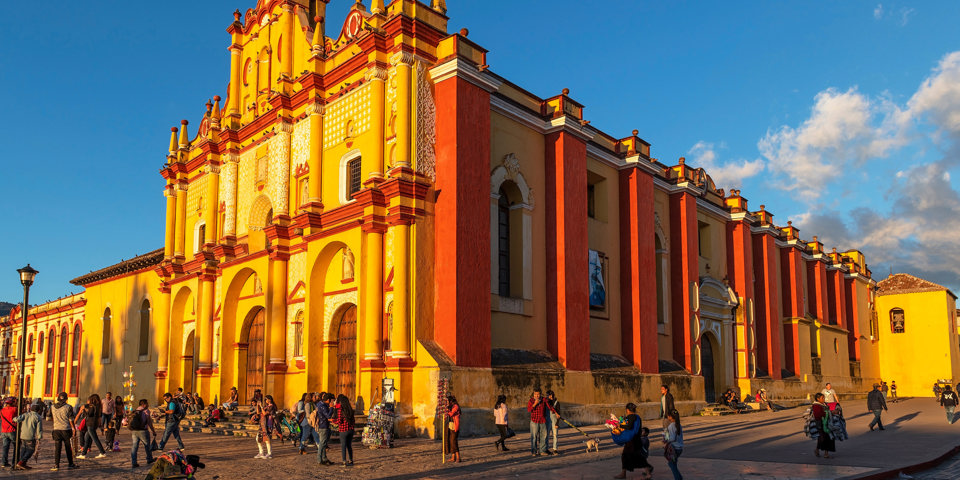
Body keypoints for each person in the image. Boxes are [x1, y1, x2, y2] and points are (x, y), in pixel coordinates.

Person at [611, 403, 650, 479]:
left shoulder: (631, 416)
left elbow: (629, 426)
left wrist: (620, 425)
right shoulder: (637, 417)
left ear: (628, 410)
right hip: (636, 439)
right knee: (636, 456)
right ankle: (647, 472)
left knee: (625, 456)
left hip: (632, 441)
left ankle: (623, 474)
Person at [49, 392, 78, 471]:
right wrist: (73, 428)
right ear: (66, 399)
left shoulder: (52, 407)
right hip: (66, 429)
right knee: (68, 447)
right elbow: (71, 419)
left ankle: (56, 465)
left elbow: (49, 418)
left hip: (56, 429)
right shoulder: (68, 407)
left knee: (57, 448)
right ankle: (70, 463)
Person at [75, 394, 107, 458]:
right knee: (86, 438)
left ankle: (102, 452)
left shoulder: (92, 407)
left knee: (95, 439)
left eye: (88, 400)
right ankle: (83, 454)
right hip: (94, 424)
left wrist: (85, 410)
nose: (87, 401)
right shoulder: (97, 406)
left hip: (90, 424)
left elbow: (89, 414)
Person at [13, 403, 43, 470]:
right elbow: (39, 429)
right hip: (30, 436)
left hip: (23, 435)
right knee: (31, 450)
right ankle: (21, 462)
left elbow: (16, 419)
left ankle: (23, 464)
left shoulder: (25, 414)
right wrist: (39, 437)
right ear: (38, 410)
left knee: (24, 449)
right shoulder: (38, 417)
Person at [129, 399, 156, 468]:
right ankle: (149, 459)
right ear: (144, 404)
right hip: (143, 431)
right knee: (147, 445)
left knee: (134, 446)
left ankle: (134, 462)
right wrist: (153, 431)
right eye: (147, 403)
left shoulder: (136, 410)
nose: (148, 404)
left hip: (134, 431)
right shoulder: (146, 411)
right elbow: (149, 422)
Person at [254, 395, 278, 459]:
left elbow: (264, 413)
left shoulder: (272, 406)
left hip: (268, 424)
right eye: (265, 399)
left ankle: (269, 453)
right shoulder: (266, 406)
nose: (266, 401)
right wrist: (258, 406)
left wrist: (261, 406)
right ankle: (261, 452)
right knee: (258, 438)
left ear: (270, 399)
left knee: (267, 439)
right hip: (262, 424)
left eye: (267, 399)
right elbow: (258, 412)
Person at [334, 394, 355, 466]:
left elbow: (339, 421)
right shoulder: (350, 410)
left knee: (343, 446)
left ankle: (344, 461)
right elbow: (353, 420)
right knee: (349, 445)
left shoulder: (340, 410)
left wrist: (333, 421)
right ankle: (351, 460)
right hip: (350, 430)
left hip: (343, 430)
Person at [812, 392, 835, 458]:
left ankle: (825, 453)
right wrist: (829, 412)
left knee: (827, 437)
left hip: (827, 423)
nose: (823, 399)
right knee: (823, 438)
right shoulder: (816, 405)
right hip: (820, 424)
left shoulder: (824, 404)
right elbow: (818, 415)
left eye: (823, 397)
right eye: (822, 398)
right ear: (818, 399)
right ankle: (818, 450)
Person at [526, 388, 548, 456]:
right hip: (534, 421)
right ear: (533, 394)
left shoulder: (544, 400)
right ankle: (534, 451)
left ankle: (542, 451)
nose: (537, 396)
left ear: (540, 394)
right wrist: (535, 404)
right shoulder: (531, 400)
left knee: (543, 436)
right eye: (535, 394)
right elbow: (529, 409)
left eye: (538, 394)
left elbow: (549, 407)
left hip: (542, 420)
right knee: (534, 437)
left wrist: (556, 413)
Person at [663, 409, 684, 480]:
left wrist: (665, 433)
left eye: (668, 416)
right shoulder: (678, 425)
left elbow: (671, 438)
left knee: (671, 464)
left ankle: (678, 478)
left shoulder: (671, 425)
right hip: (679, 448)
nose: (668, 417)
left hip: (674, 449)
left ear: (671, 417)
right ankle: (679, 478)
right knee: (673, 464)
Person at [315, 393, 334, 466]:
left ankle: (324, 458)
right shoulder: (323, 406)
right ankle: (319, 459)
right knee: (322, 444)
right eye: (331, 400)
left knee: (324, 443)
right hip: (323, 426)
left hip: (323, 426)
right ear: (328, 400)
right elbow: (328, 416)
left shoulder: (321, 404)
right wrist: (331, 408)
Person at [445, 395, 461, 463]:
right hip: (450, 425)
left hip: (454, 426)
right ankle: (453, 457)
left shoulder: (456, 407)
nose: (447, 402)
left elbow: (451, 414)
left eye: (448, 401)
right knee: (451, 441)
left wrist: (446, 410)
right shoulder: (451, 407)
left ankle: (458, 457)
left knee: (454, 442)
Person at [544, 390, 562, 455]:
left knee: (555, 435)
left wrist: (557, 423)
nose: (551, 396)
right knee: (546, 434)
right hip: (547, 420)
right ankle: (546, 448)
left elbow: (558, 414)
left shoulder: (557, 402)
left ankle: (555, 449)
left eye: (552, 395)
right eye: (549, 395)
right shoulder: (546, 402)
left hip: (554, 420)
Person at [0, 397, 16, 468]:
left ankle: (4, 462)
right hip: (12, 430)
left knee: (5, 447)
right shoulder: (14, 409)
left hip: (4, 430)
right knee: (16, 447)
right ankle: (14, 462)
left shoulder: (2, 410)